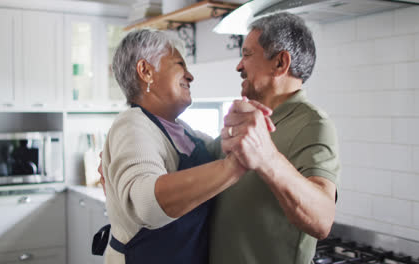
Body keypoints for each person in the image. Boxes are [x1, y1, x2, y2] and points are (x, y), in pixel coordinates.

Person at [92, 28, 274, 264]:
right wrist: (235, 165)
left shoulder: (184, 131)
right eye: (180, 64)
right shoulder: (132, 124)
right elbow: (147, 204)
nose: (190, 76)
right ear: (146, 71)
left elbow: (222, 155)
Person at [207, 12, 340, 264]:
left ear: (280, 63)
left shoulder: (313, 124)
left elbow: (322, 220)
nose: (238, 66)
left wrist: (267, 158)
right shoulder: (249, 119)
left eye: (247, 54)